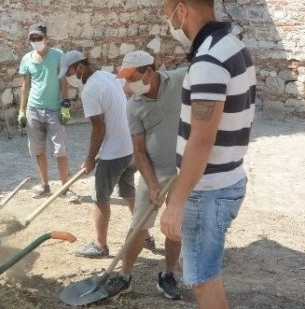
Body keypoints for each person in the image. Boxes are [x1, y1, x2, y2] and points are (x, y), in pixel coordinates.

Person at [160, 0, 256, 309]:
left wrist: (176, 202)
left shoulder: (208, 63)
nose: (169, 24)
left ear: (182, 11)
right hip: (224, 179)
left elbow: (201, 142)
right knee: (206, 275)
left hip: (209, 190)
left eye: (169, 14)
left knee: (202, 281)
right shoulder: (232, 43)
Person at [102, 50, 187, 300]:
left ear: (149, 72)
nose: (128, 85)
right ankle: (125, 277)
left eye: (132, 77)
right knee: (139, 225)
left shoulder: (180, 78)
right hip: (156, 170)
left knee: (175, 227)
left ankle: (168, 275)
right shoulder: (133, 106)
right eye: (125, 79)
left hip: (185, 169)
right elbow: (138, 151)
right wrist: (151, 185)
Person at [59, 50, 136, 258]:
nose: (69, 78)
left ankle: (100, 245)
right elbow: (126, 92)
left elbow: (98, 128)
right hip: (129, 146)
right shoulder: (107, 76)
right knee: (128, 190)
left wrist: (91, 158)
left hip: (114, 152)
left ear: (81, 67)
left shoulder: (90, 90)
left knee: (100, 197)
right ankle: (143, 234)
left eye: (69, 73)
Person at [17, 23, 78, 202]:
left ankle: (66, 188)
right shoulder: (27, 59)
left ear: (46, 39)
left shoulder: (57, 55)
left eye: (38, 38)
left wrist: (65, 105)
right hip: (33, 110)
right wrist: (21, 110)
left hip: (54, 110)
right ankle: (45, 186)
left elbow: (64, 82)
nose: (35, 41)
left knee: (60, 150)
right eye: (32, 39)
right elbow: (25, 85)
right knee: (38, 150)